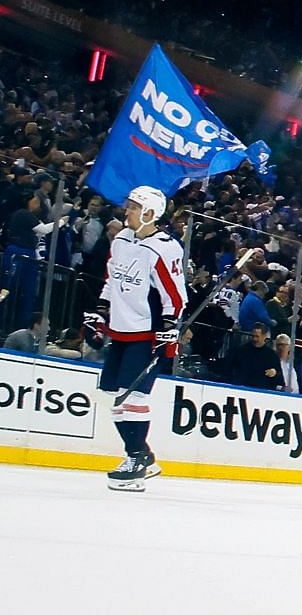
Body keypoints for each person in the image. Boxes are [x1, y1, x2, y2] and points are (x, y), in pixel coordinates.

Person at [87, 186, 185, 491]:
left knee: (134, 397)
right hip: (120, 330)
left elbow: (175, 296)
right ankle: (142, 457)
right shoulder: (122, 240)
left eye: (132, 206)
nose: (126, 210)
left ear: (149, 213)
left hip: (147, 334)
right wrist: (101, 312)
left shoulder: (164, 248)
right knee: (116, 399)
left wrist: (170, 326)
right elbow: (111, 280)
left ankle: (138, 459)